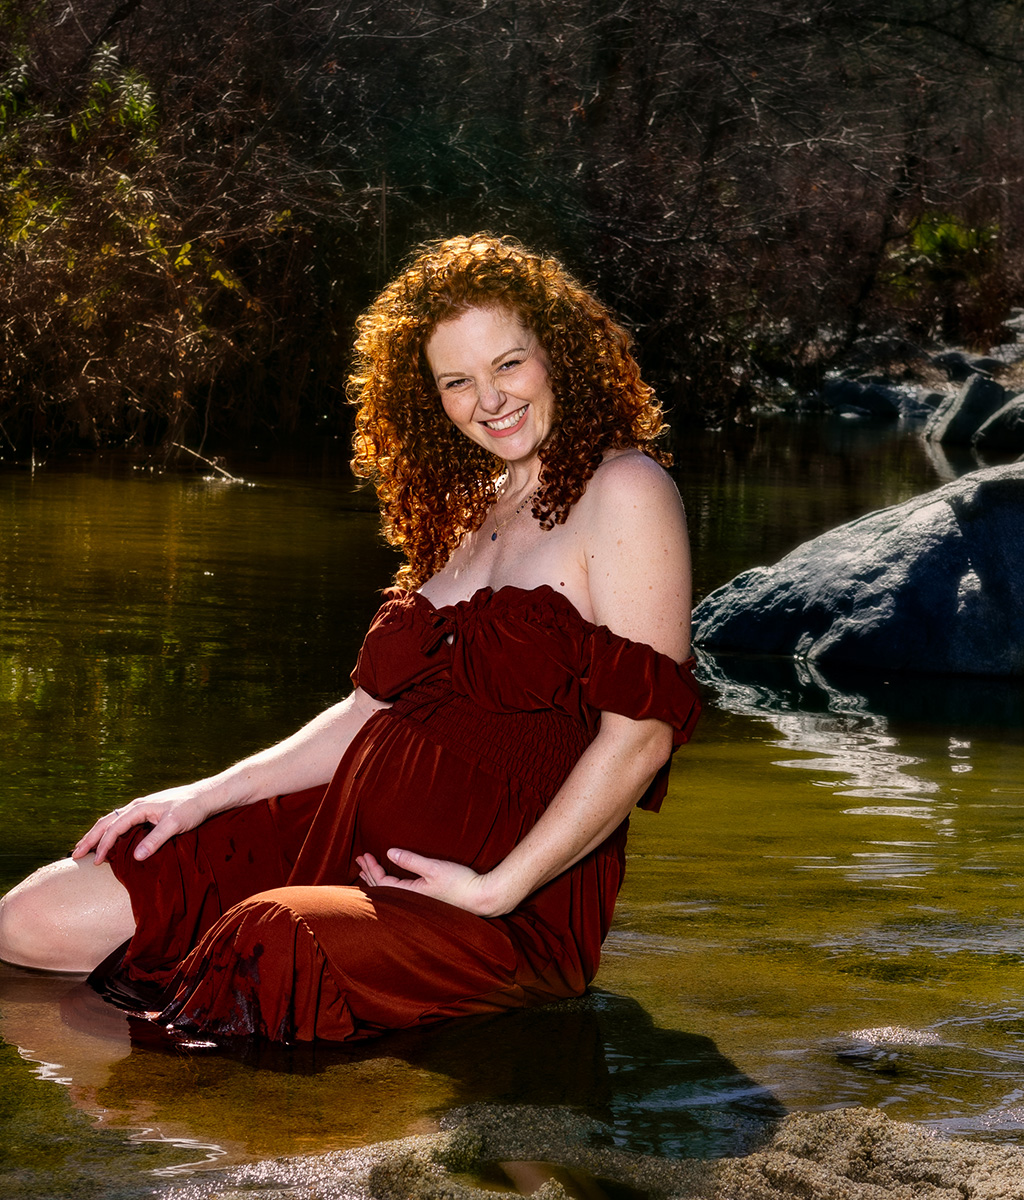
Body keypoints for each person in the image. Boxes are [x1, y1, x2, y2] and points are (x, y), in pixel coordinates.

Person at [0, 234, 700, 1044]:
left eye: (509, 364)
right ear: (429, 397)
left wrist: (497, 890)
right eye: (457, 381)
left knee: (270, 944)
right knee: (28, 922)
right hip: (335, 831)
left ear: (559, 356)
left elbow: (642, 736)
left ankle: (147, 1116)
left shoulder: (626, 488)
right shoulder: (467, 508)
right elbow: (366, 712)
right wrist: (199, 797)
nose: (490, 400)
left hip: (495, 892)